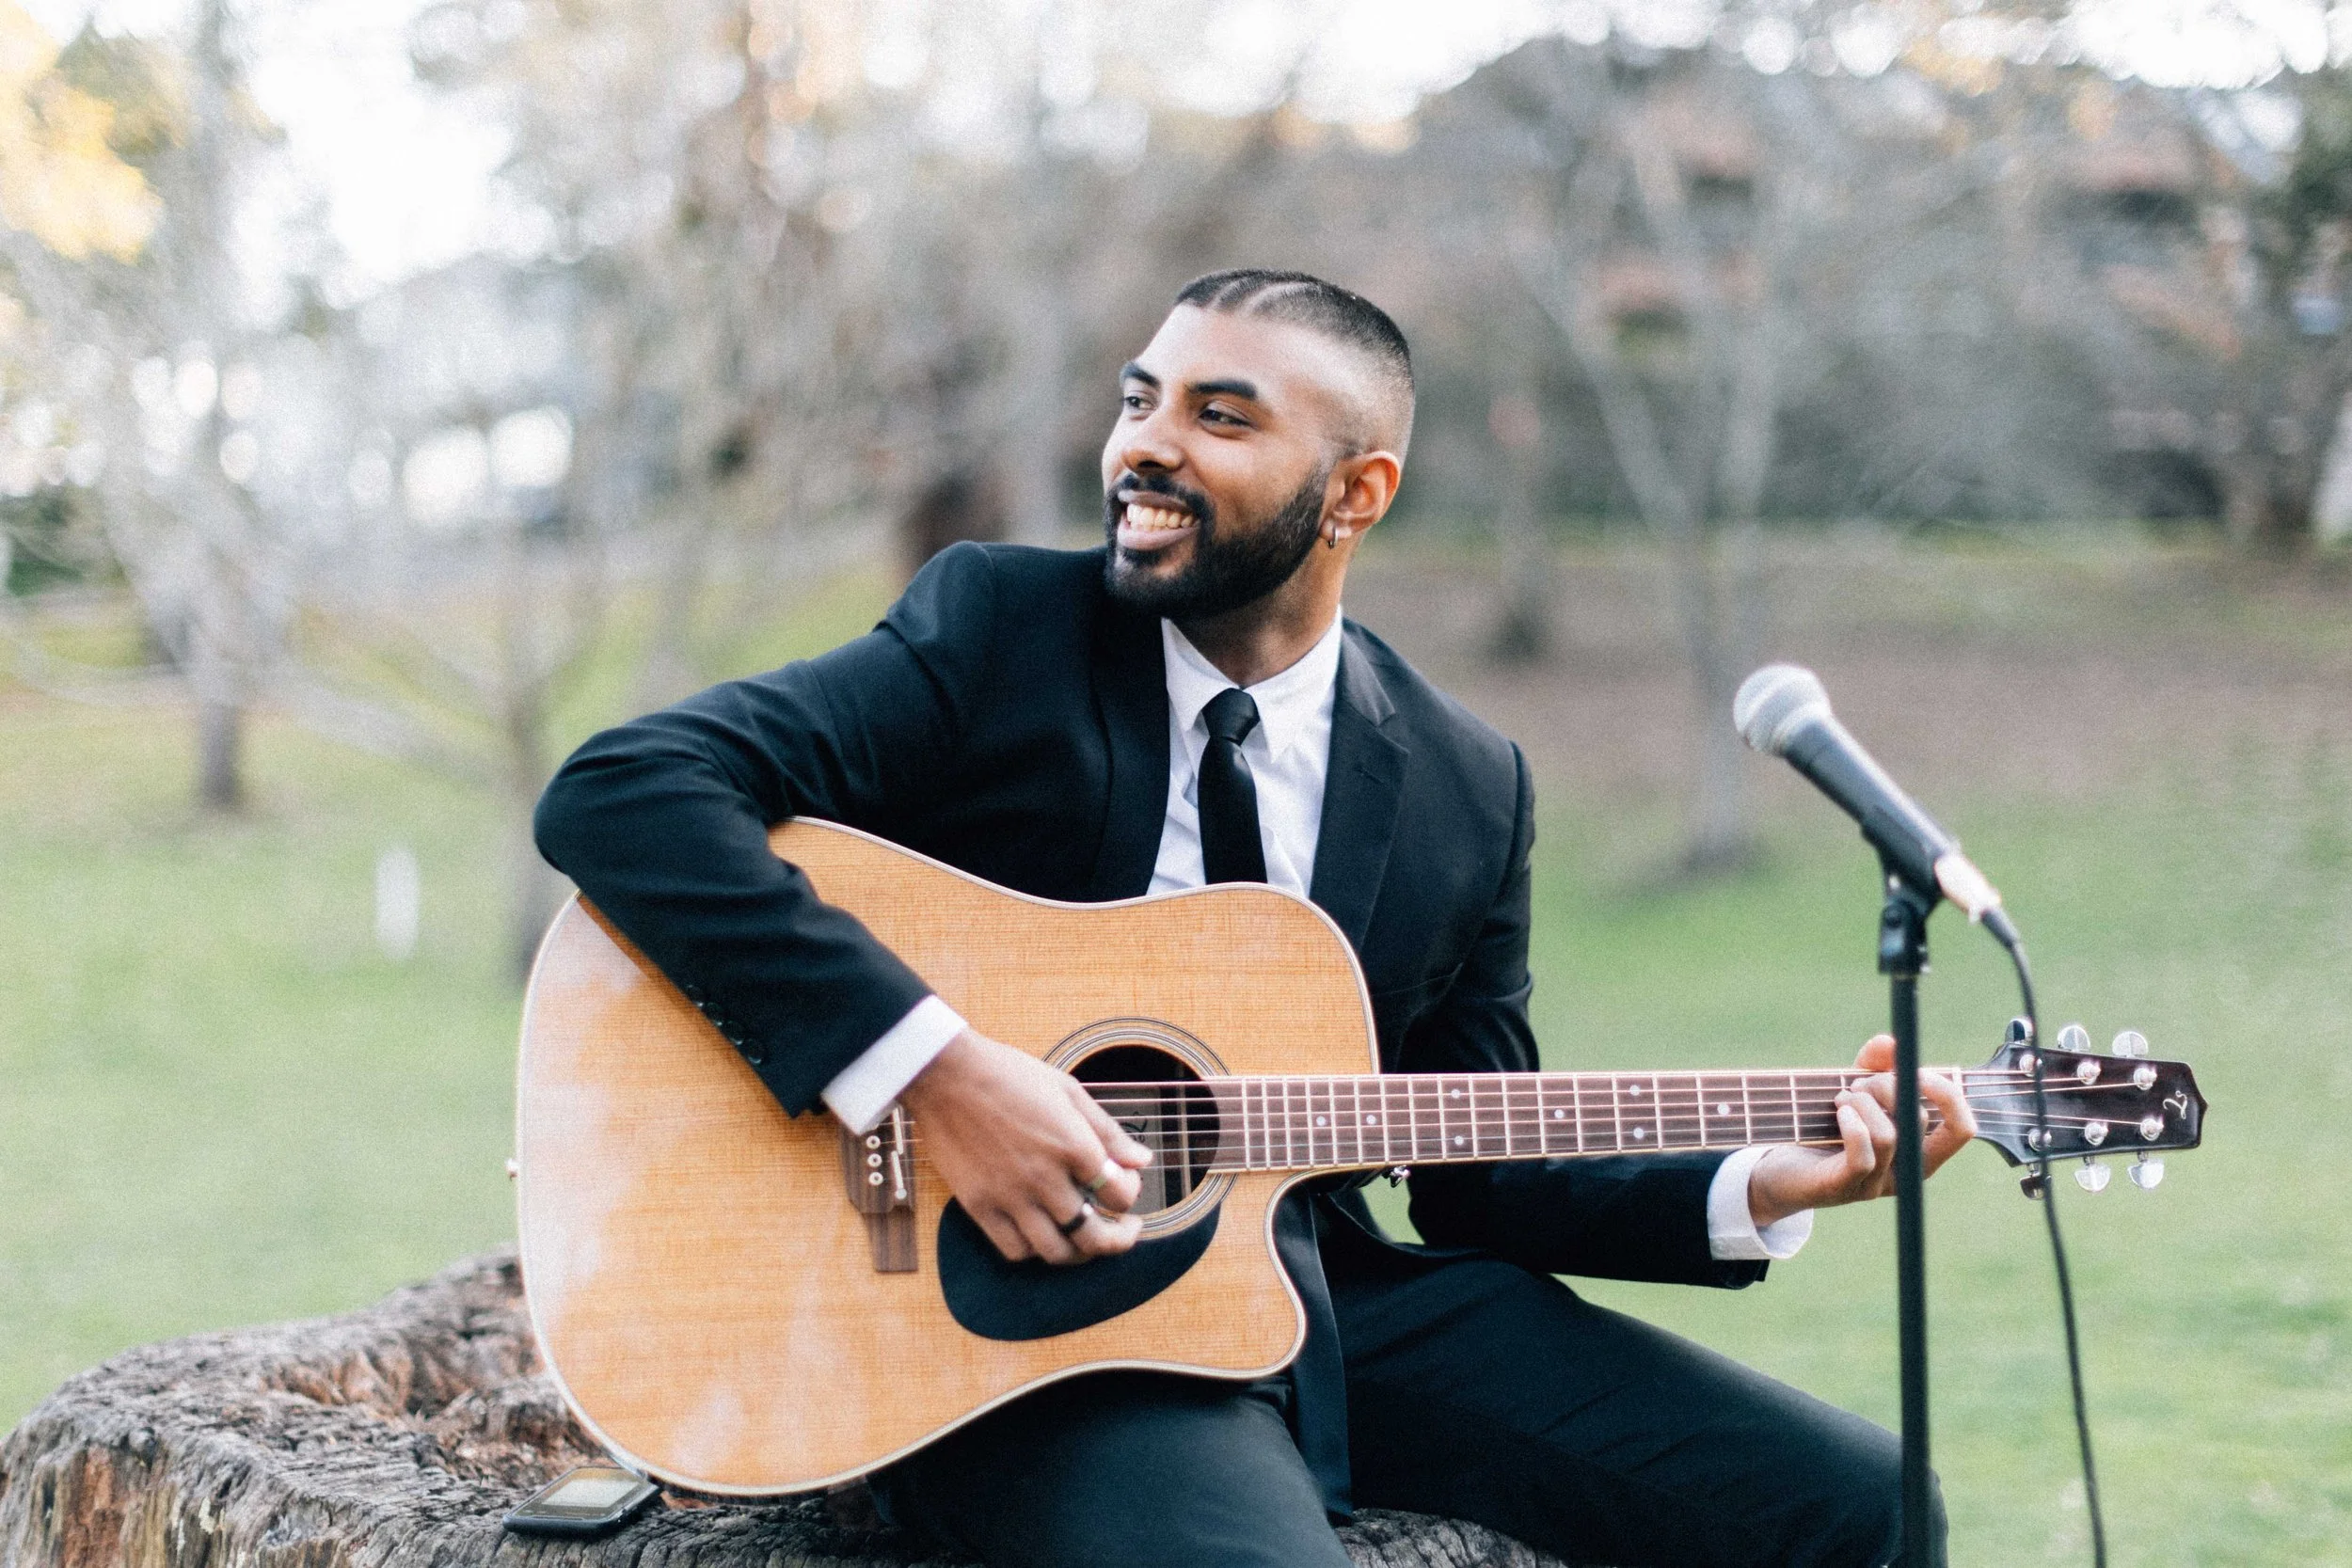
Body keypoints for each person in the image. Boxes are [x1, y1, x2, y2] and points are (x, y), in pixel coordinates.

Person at [533, 268, 1977, 1568]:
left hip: (1330, 1295)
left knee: (1864, 1508)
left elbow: (1481, 1162)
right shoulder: (1001, 632)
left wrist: (1766, 1180)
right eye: (1139, 400)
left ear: (1356, 493)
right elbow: (628, 791)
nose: (1144, 445)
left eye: (1219, 415)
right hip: (1018, 1317)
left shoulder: (1469, 784)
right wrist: (938, 1075)